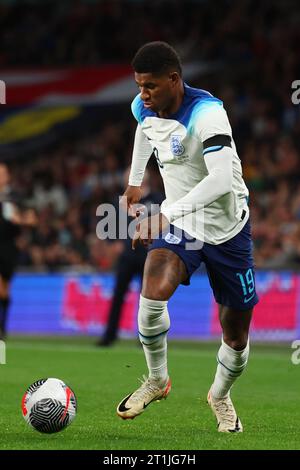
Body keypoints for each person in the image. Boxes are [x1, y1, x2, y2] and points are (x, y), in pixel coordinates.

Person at [116, 42, 259, 433]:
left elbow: (218, 181)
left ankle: (220, 395)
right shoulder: (143, 105)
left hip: (229, 230)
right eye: (139, 85)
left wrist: (162, 214)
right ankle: (157, 380)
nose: (142, 94)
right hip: (185, 225)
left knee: (236, 335)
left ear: (174, 80)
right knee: (152, 291)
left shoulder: (208, 115)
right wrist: (134, 181)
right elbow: (145, 131)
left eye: (150, 86)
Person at [96, 169, 163, 346]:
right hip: (127, 256)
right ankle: (109, 335)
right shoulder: (123, 201)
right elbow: (113, 223)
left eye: (131, 181)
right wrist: (114, 242)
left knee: (147, 300)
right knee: (118, 295)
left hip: (149, 257)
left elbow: (164, 225)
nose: (128, 185)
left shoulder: (157, 200)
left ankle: (145, 338)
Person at [0, 163, 37, 340]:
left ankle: (2, 327)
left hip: (8, 247)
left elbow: (32, 219)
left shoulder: (15, 197)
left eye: (3, 173)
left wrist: (19, 220)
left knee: (5, 290)